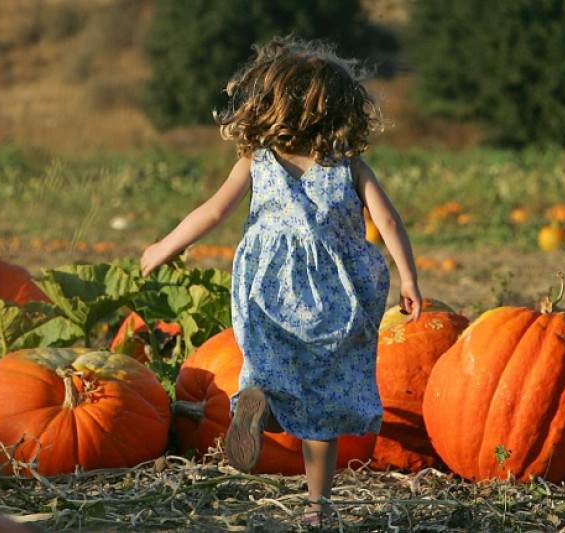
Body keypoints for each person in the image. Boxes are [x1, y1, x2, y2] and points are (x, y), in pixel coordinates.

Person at [139, 35, 422, 526]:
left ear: (267, 103)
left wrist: (165, 246)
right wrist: (409, 279)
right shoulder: (347, 164)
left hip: (267, 287)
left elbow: (212, 212)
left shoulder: (258, 160)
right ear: (341, 109)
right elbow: (390, 222)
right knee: (324, 402)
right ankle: (318, 507)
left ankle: (258, 404)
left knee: (267, 371)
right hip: (334, 296)